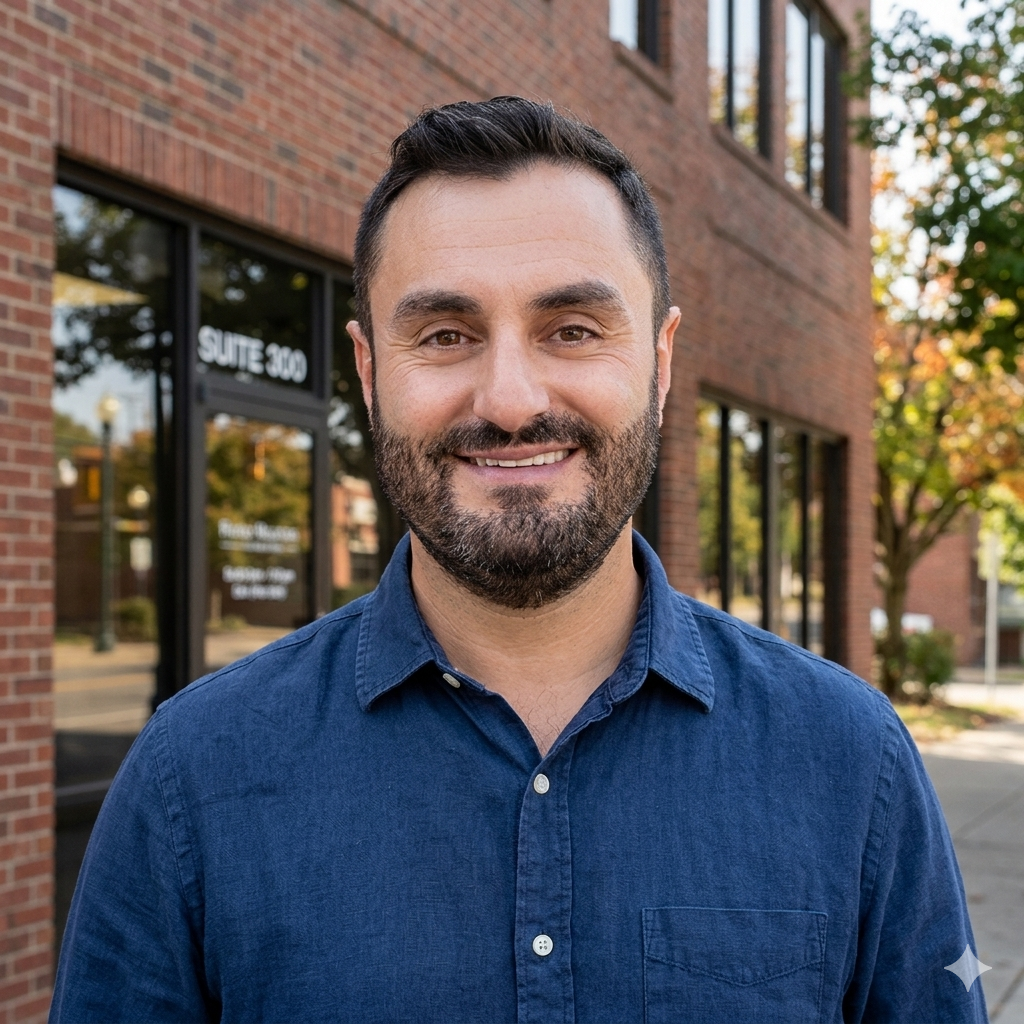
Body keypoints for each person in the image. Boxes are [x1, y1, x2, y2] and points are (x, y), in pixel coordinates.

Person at [51, 97, 986, 1024]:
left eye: (572, 329)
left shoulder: (851, 761)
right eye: (446, 335)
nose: (507, 398)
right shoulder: (193, 777)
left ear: (660, 363)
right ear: (371, 373)